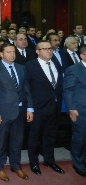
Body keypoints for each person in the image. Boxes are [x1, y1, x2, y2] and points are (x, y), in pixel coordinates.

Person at [0, 43, 34, 182]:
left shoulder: (21, 68)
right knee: (0, 141)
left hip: (20, 110)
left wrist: (30, 108)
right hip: (3, 111)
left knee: (17, 140)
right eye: (8, 52)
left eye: (13, 52)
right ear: (1, 54)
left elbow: (27, 90)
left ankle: (15, 165)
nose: (12, 54)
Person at [25, 41, 64, 175]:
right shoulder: (30, 66)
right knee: (35, 136)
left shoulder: (56, 63)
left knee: (51, 135)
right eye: (45, 49)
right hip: (38, 108)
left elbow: (57, 85)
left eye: (50, 49)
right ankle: (34, 162)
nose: (49, 51)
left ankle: (49, 160)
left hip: (54, 106)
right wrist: (29, 108)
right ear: (37, 51)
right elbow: (27, 90)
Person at [63, 45, 86, 177]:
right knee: (80, 138)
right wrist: (71, 108)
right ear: (82, 56)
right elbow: (68, 90)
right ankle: (78, 164)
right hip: (80, 110)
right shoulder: (73, 70)